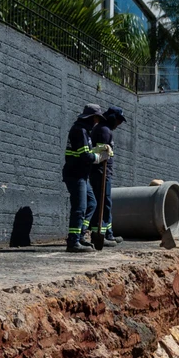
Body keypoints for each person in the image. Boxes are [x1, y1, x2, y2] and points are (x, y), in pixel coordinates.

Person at [62, 104, 111, 252]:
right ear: (91, 117)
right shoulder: (80, 131)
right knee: (80, 208)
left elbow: (85, 151)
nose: (97, 122)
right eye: (96, 118)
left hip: (81, 175)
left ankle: (81, 235)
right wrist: (99, 157)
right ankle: (73, 241)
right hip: (75, 174)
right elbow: (85, 156)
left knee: (91, 203)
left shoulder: (84, 131)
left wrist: (98, 149)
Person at [87, 106, 127, 247]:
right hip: (100, 173)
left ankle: (108, 233)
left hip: (104, 173)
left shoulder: (105, 129)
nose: (119, 124)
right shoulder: (103, 130)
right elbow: (100, 153)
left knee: (106, 203)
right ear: (112, 118)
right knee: (103, 203)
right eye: (118, 120)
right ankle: (99, 234)